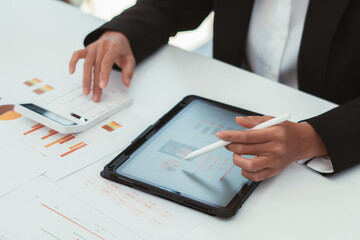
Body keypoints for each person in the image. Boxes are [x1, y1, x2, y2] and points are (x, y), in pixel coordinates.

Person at [69, 0, 360, 182]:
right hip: (227, 116)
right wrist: (122, 33)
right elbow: (169, 5)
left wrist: (312, 138)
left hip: (329, 140)